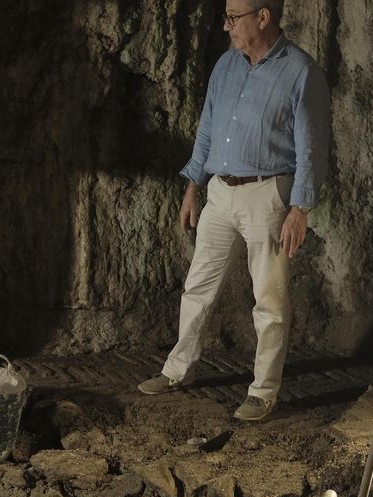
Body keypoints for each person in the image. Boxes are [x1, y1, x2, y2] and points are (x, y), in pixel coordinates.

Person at [138, 0, 329, 423]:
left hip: (268, 195)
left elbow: (312, 146)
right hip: (221, 192)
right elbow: (207, 129)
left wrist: (301, 208)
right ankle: (177, 370)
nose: (226, 26)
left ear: (263, 17)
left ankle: (263, 392)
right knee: (198, 285)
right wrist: (193, 187)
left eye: (234, 18)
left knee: (270, 299)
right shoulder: (226, 66)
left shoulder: (300, 71)